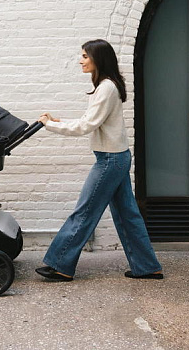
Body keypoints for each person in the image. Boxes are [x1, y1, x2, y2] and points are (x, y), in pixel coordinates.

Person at [35, 39, 163, 282]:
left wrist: (49, 125)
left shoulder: (106, 88)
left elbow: (87, 125)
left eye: (85, 56)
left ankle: (60, 265)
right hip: (116, 157)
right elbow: (89, 119)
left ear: (98, 59)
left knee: (85, 211)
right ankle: (147, 266)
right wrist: (59, 121)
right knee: (127, 215)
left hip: (110, 161)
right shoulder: (107, 86)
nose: (80, 61)